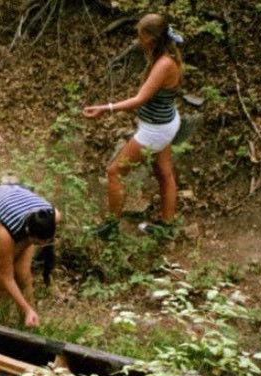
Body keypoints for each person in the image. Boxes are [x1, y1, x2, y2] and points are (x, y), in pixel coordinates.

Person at [82, 13, 184, 225]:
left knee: (114, 173)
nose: (138, 40)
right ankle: (167, 224)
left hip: (156, 130)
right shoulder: (162, 56)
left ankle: (110, 227)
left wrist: (106, 108)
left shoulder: (164, 64)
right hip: (165, 123)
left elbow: (140, 99)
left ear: (153, 40)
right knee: (164, 174)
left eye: (141, 36)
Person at [0, 183, 60, 329]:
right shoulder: (7, 233)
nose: (41, 246)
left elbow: (30, 243)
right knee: (0, 280)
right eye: (37, 242)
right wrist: (27, 309)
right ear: (27, 230)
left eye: (44, 243)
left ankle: (27, 327)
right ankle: (0, 326)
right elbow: (6, 276)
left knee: (23, 276)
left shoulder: (53, 215)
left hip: (15, 200)